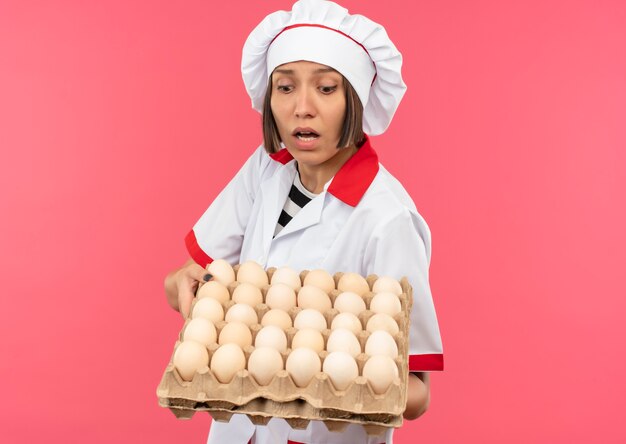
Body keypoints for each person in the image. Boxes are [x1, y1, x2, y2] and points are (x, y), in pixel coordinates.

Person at [164, 1, 443, 443]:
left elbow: (417, 392)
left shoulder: (388, 218)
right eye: (286, 87)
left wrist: (331, 378)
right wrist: (184, 286)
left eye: (327, 88)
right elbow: (185, 276)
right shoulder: (267, 169)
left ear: (356, 98)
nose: (302, 108)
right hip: (239, 431)